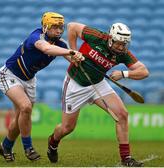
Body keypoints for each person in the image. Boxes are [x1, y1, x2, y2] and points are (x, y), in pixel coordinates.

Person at [47, 22, 149, 167]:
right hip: (76, 84)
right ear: (110, 39)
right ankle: (53, 142)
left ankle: (126, 158)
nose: (121, 47)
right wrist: (74, 52)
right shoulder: (97, 36)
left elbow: (144, 71)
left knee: (122, 115)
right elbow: (72, 27)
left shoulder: (123, 54)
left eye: (124, 44)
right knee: (67, 128)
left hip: (98, 84)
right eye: (118, 43)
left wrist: (123, 73)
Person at [0, 12, 84, 162]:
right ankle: (28, 148)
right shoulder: (36, 37)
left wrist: (78, 58)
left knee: (20, 117)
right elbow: (47, 49)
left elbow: (72, 59)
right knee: (26, 108)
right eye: (54, 27)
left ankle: (6, 145)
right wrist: (71, 51)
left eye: (60, 27)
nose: (58, 31)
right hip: (10, 75)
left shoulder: (60, 44)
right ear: (45, 27)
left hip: (29, 80)